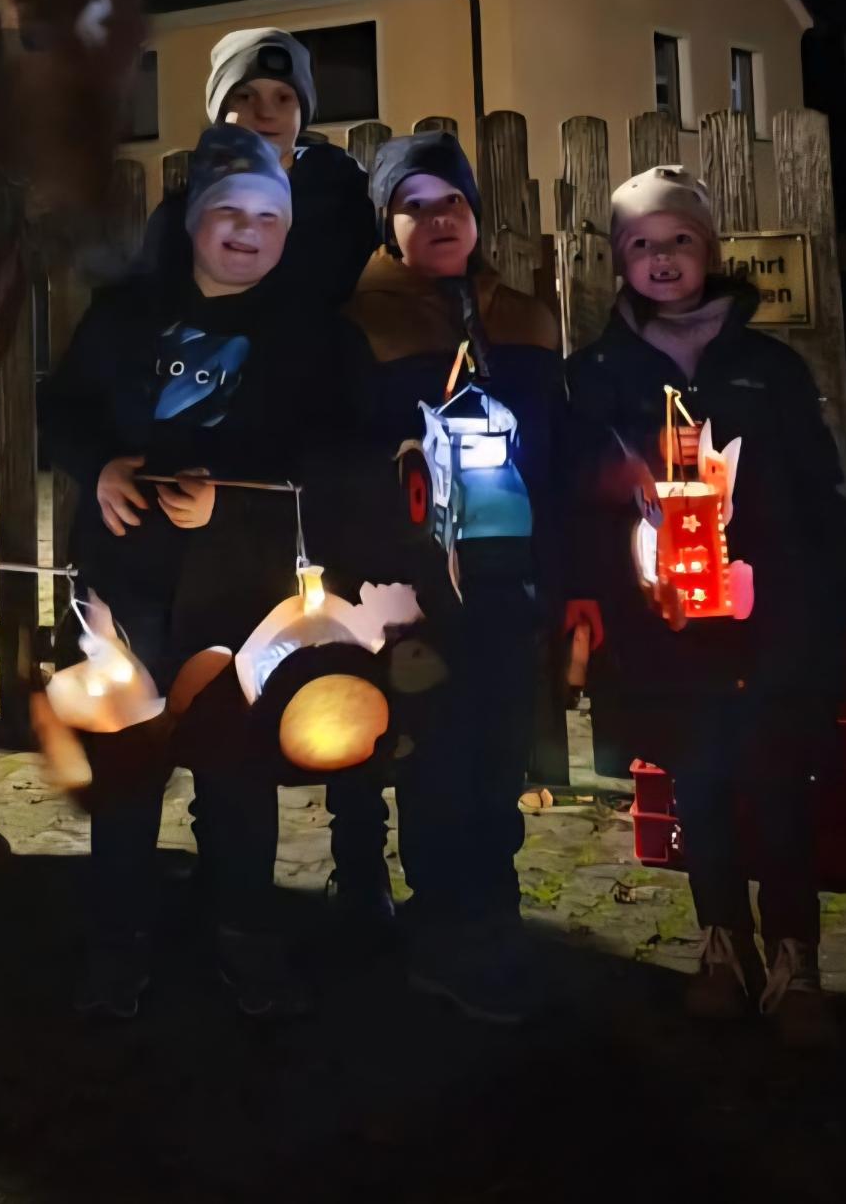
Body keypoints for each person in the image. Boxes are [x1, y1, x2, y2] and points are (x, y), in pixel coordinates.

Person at [43, 126, 392, 1020]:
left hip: (242, 597)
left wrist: (237, 507)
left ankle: (243, 934)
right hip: (128, 586)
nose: (246, 231)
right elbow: (64, 408)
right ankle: (119, 943)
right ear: (194, 217)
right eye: (227, 211)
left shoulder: (314, 334)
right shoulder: (128, 311)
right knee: (126, 773)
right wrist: (103, 468)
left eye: (267, 217)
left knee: (237, 778)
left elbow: (350, 459)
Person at [563, 166, 846, 1049]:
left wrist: (818, 606)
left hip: (770, 624)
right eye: (642, 243)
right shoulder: (599, 372)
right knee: (702, 782)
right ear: (620, 261)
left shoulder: (768, 367)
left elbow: (821, 495)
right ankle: (721, 942)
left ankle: (796, 954)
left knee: (777, 781)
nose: (662, 258)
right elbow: (576, 493)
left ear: (710, 252)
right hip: (668, 628)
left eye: (680, 239)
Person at [345, 130, 561, 1023]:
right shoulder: (362, 321)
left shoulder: (521, 315)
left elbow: (556, 446)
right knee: (434, 757)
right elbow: (336, 454)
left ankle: (496, 917)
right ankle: (443, 935)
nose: (439, 218)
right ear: (389, 221)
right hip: (414, 591)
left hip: (508, 583)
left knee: (498, 756)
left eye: (454, 202)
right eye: (416, 203)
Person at [144, 29, 374, 309]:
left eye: (283, 98)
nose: (266, 112)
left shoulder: (344, 194)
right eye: (245, 96)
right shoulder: (177, 218)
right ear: (220, 112)